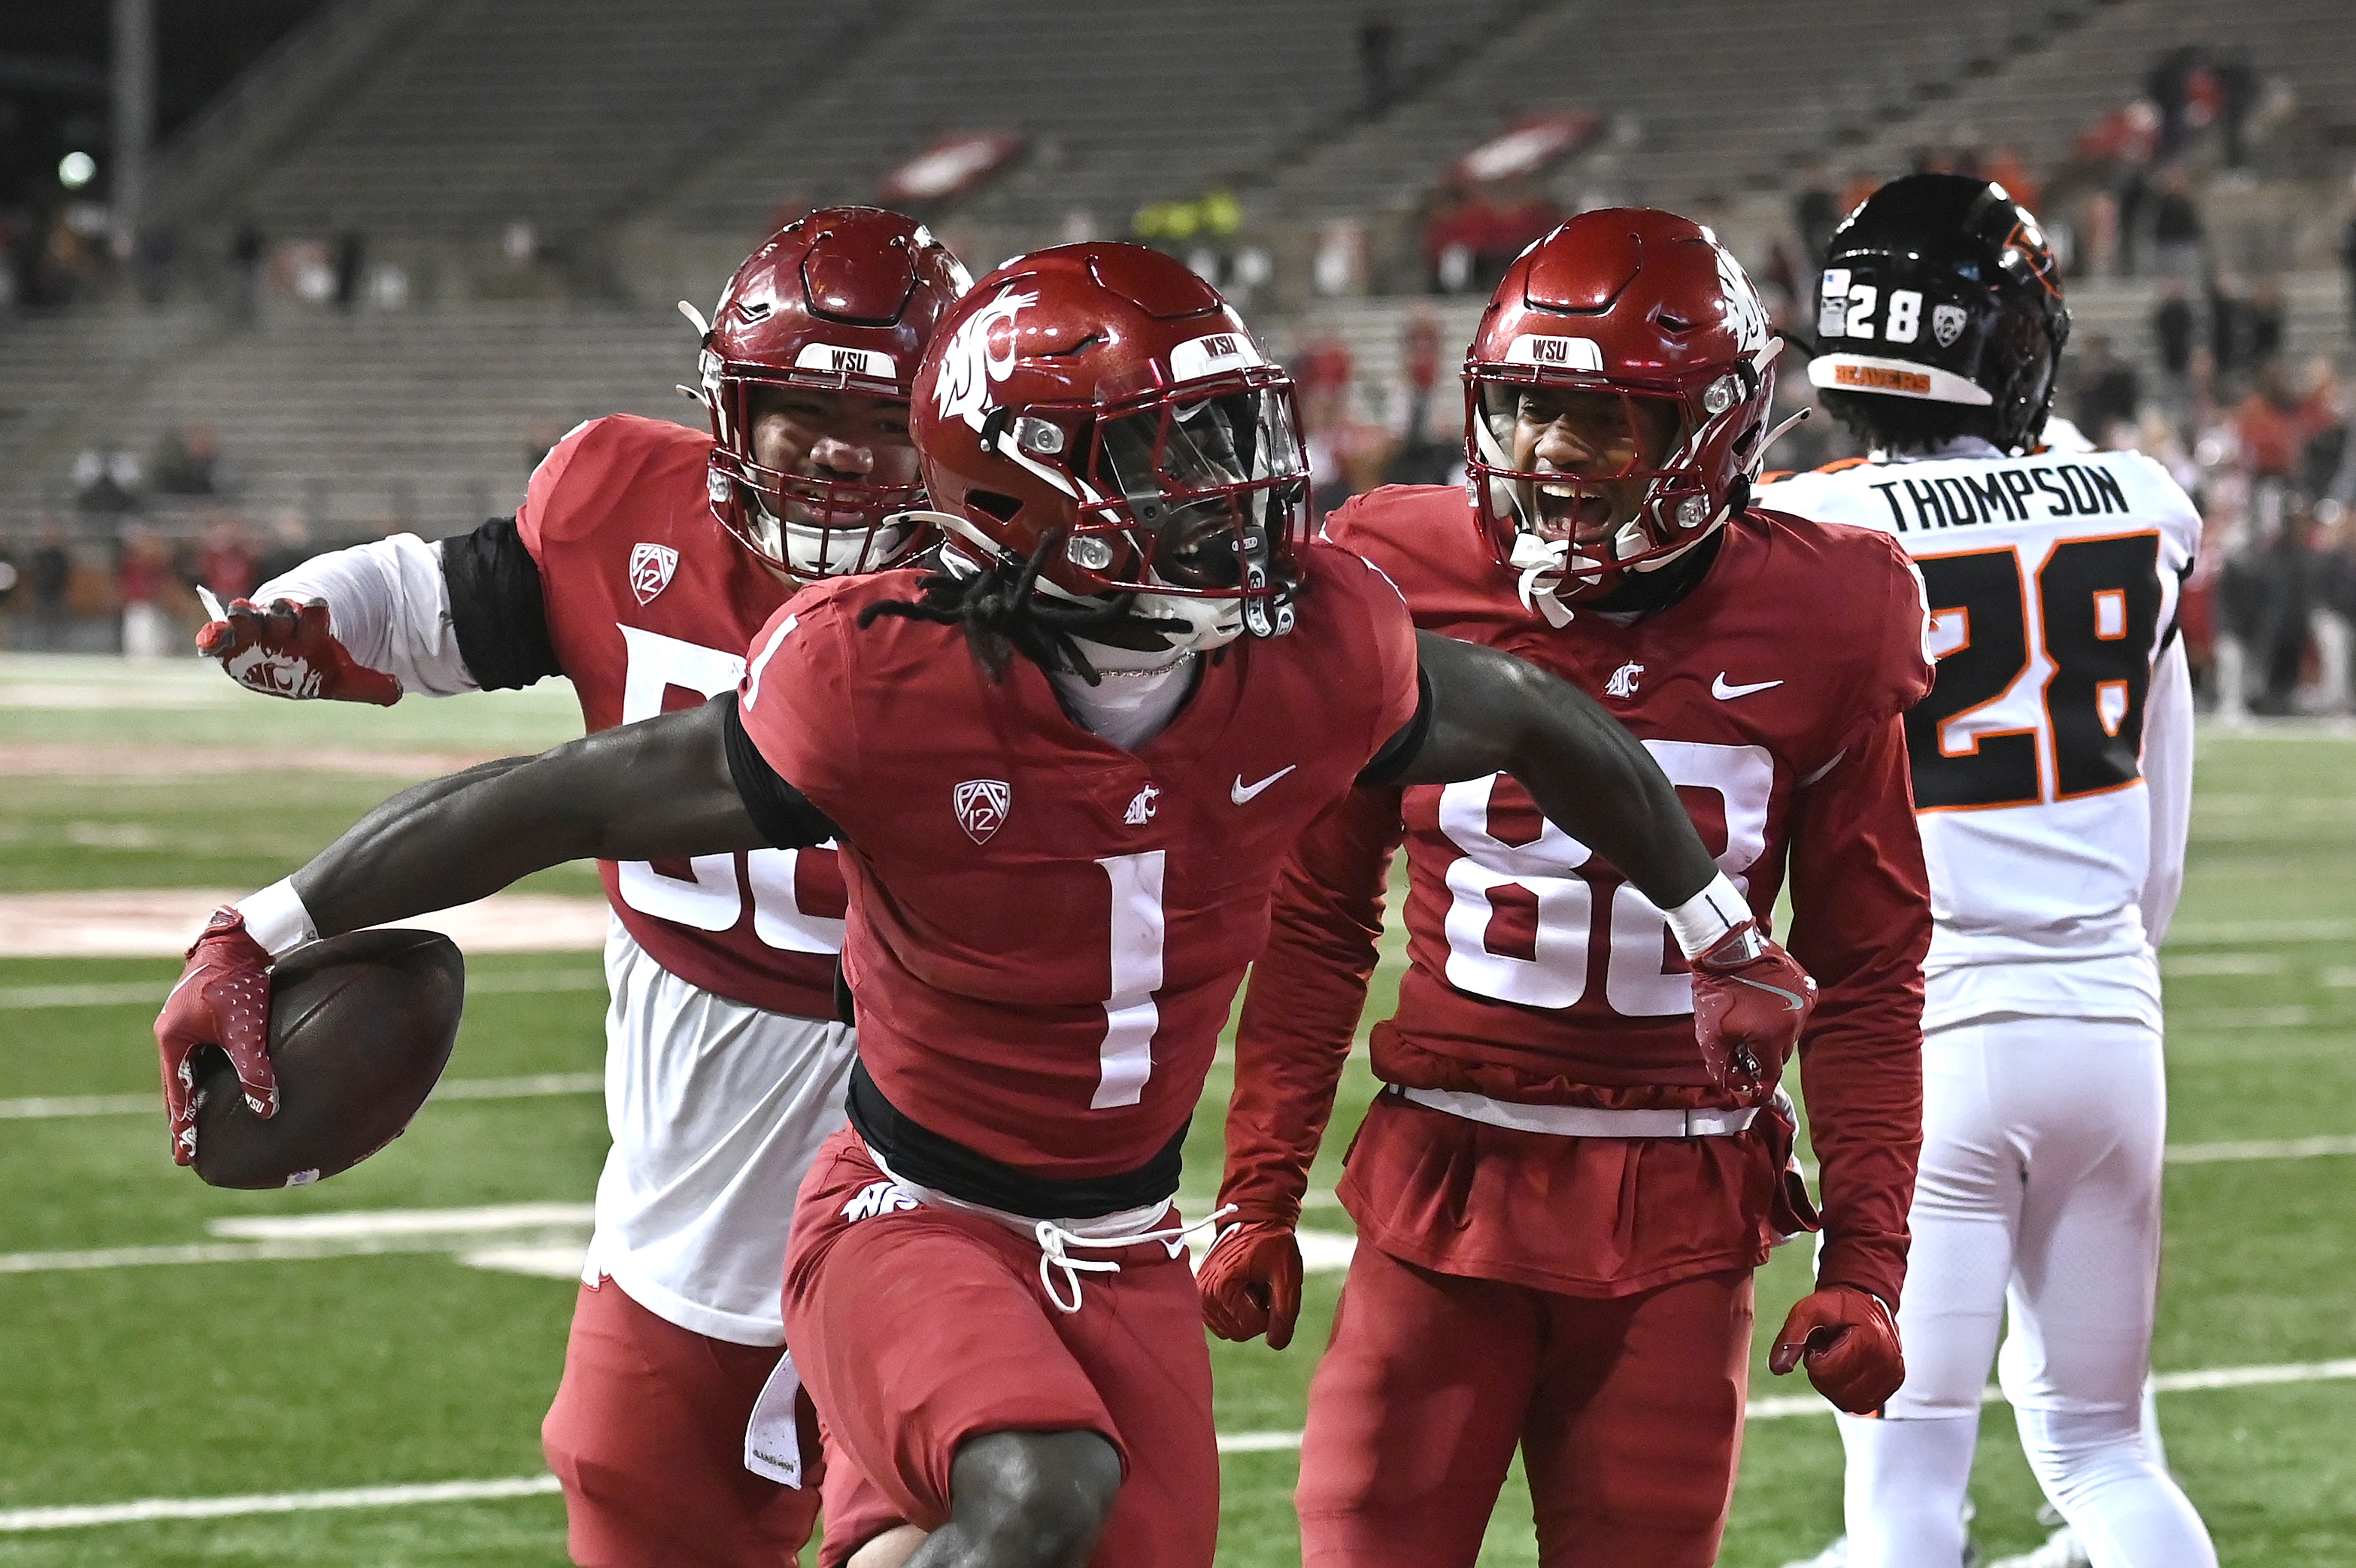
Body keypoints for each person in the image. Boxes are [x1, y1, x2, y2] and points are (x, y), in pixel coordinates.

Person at [156, 242, 1818, 1568]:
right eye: (1176, 449)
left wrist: (1719, 931)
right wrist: (269, 925)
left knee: (1083, 1526)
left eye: (1233, 433)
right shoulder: (879, 676)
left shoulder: (1310, 648)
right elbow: (561, 797)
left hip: (1120, 1231)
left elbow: (1543, 718)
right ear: (1022, 487)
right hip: (909, 1208)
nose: (1234, 482)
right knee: (1035, 1493)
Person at [188, 208, 971, 1568]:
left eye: (887, 419)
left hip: (937, 1119)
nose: (840, 458)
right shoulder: (625, 500)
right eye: (794, 409)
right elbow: (452, 599)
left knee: (967, 1508)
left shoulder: (1014, 583)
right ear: (730, 401)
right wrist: (308, 610)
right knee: (634, 1492)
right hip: (686, 1132)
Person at [1197, 209, 1936, 1568]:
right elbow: (1312, 915)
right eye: (1525, 406)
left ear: (1709, 432)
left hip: (1677, 1198)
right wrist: (1256, 1190)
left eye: (1601, 421)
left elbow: (1869, 971)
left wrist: (1867, 1258)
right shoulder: (1396, 570)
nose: (1547, 451)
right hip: (1442, 1181)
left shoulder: (1826, 615)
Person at [1769, 173, 2214, 1568]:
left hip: (1919, 1043)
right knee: (2101, 1450)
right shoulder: (2140, 499)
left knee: (1906, 1510)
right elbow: (2163, 833)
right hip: (2103, 1018)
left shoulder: (1799, 529)